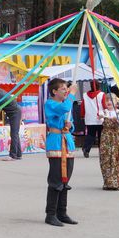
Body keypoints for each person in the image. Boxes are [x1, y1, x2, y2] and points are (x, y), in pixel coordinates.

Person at [44, 79, 78, 227]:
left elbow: (71, 123)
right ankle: (50, 214)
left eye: (67, 88)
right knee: (56, 179)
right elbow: (63, 108)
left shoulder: (66, 105)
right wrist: (72, 94)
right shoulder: (50, 104)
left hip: (67, 142)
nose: (66, 91)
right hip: (56, 143)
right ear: (54, 91)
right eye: (63, 89)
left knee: (65, 179)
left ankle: (62, 213)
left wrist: (70, 126)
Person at [97, 93, 119, 191]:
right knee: (105, 158)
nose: (109, 102)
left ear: (116, 102)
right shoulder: (104, 112)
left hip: (115, 137)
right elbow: (98, 121)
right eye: (107, 100)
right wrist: (99, 117)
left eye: (111, 100)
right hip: (105, 137)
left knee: (115, 158)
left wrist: (118, 119)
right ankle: (107, 182)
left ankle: (115, 183)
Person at [0, 84, 23, 160]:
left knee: (14, 134)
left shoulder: (1, 98)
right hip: (13, 113)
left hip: (15, 113)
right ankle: (18, 154)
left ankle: (13, 155)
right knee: (15, 134)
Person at [81, 84, 104, 158]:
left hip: (89, 118)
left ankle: (86, 149)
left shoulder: (85, 95)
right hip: (100, 118)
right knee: (101, 136)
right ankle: (102, 151)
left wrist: (82, 115)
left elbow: (82, 106)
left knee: (90, 135)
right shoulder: (102, 94)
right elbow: (104, 105)